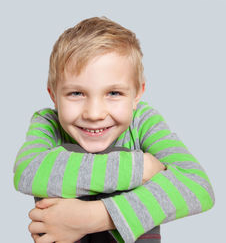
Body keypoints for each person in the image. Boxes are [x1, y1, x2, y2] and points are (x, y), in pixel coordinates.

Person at [13, 17, 215, 243]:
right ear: (54, 96)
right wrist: (140, 168)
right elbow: (27, 171)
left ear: (137, 94)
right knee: (54, 162)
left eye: (114, 93)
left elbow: (197, 186)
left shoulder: (143, 122)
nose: (94, 113)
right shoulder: (48, 122)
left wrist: (92, 217)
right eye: (76, 93)